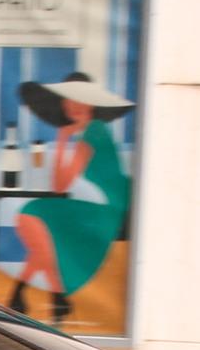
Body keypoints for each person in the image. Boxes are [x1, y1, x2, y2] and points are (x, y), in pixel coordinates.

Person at [11, 71, 135, 324]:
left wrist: (63, 137)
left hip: (110, 211)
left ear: (92, 105)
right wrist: (63, 137)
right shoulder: (88, 131)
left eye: (81, 100)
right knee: (41, 227)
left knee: (32, 216)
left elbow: (60, 184)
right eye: (69, 99)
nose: (73, 105)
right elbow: (59, 187)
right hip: (100, 207)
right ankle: (38, 295)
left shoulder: (95, 131)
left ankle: (39, 294)